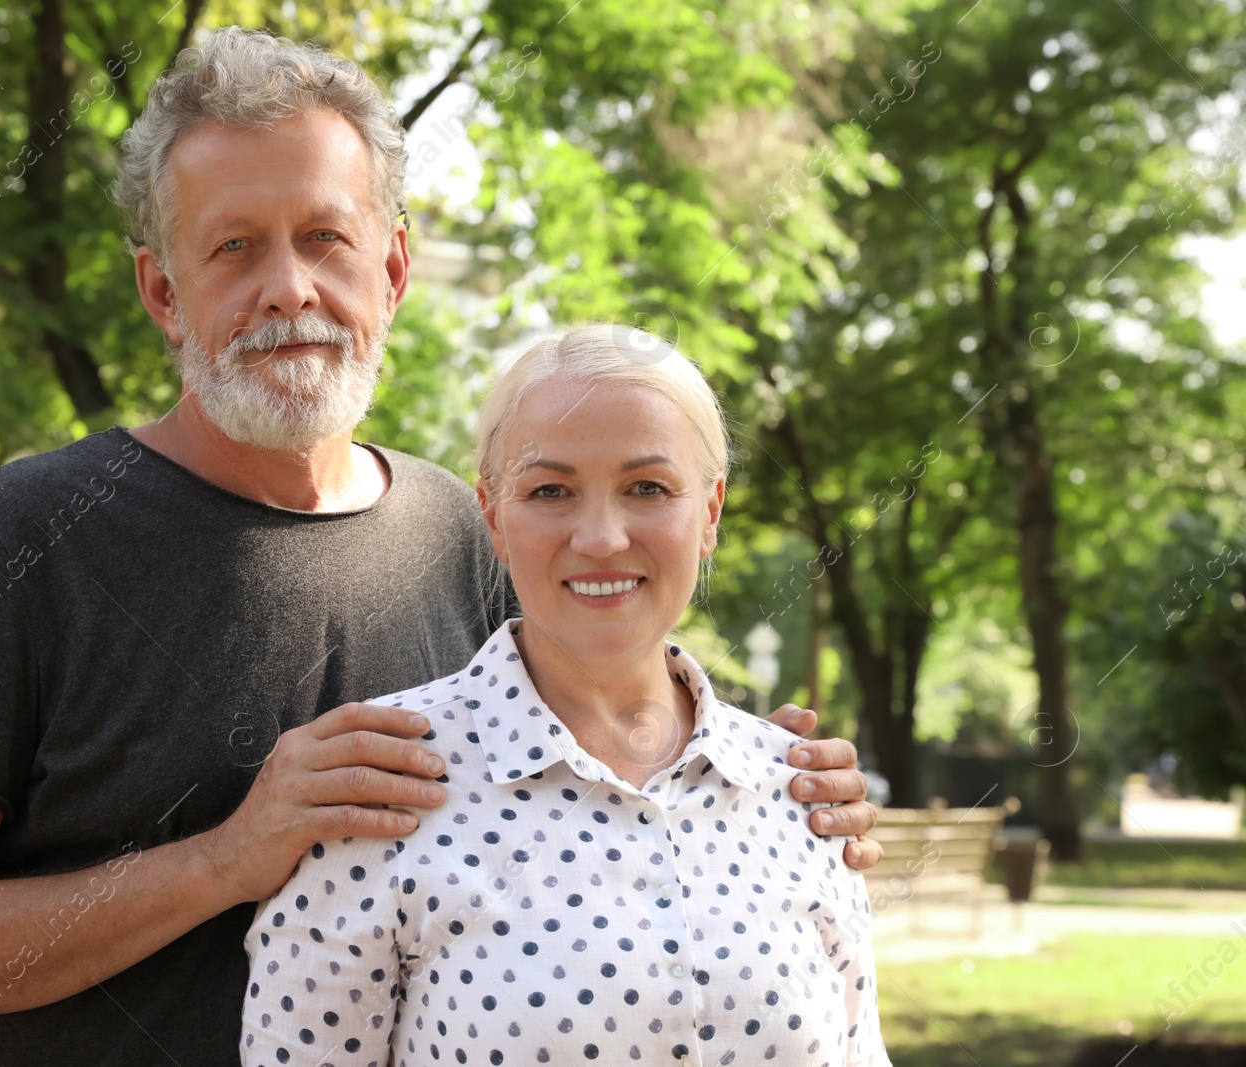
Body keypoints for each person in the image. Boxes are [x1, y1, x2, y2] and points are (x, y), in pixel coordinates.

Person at [0, 29, 880, 1066]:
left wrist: (757, 782)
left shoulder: (469, 532)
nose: (288, 288)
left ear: (394, 267)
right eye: (233, 247)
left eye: (326, 237)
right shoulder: (22, 536)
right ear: (161, 293)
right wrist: (226, 858)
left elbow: (588, 779)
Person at [242, 326, 891, 1067]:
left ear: (709, 512)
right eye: (551, 490)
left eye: (647, 487)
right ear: (493, 517)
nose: (602, 536)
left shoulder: (800, 792)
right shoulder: (377, 788)